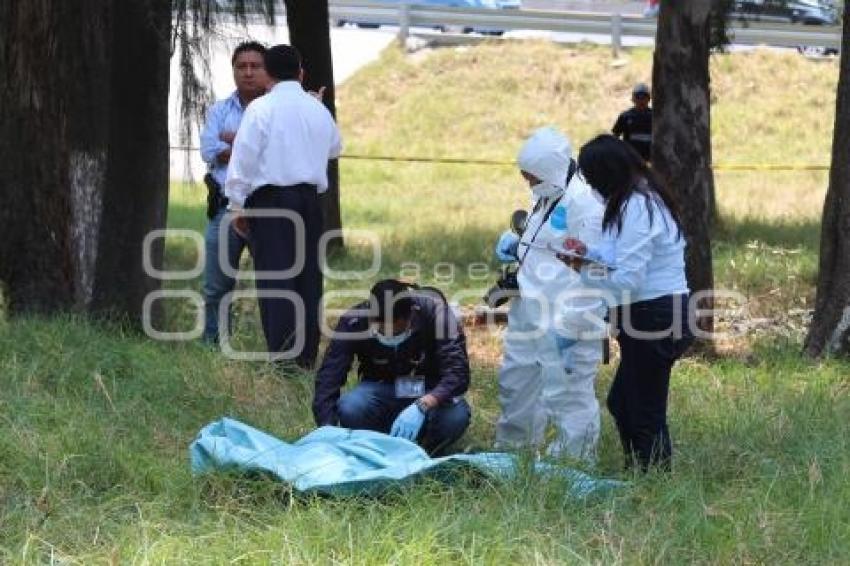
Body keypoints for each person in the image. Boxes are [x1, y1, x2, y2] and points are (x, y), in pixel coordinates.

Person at [561, 134, 694, 471]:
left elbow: (628, 280)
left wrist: (583, 271)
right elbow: (619, 256)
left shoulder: (639, 205)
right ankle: (638, 470)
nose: (591, 189)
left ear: (608, 174)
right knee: (623, 401)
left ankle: (653, 477)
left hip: (656, 315)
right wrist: (587, 253)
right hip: (645, 314)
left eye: (592, 181)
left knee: (642, 407)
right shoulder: (629, 202)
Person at [225, 44, 342, 369]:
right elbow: (334, 148)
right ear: (301, 73)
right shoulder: (317, 108)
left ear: (267, 75)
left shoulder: (261, 109)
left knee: (277, 279)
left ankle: (283, 357)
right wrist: (316, 108)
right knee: (307, 277)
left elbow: (243, 159)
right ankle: (305, 357)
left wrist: (236, 204)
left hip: (271, 201)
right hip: (309, 201)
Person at [492, 126, 606, 461]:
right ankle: (514, 450)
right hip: (530, 303)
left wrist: (570, 328)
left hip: (567, 312)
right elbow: (546, 240)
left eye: (531, 177)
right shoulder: (546, 192)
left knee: (567, 393)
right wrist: (519, 245)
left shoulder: (586, 205)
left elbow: (592, 273)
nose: (527, 183)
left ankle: (575, 463)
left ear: (550, 171)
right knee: (518, 380)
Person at [312, 279, 472, 456]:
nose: (386, 336)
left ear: (410, 316)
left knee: (455, 417)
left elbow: (458, 374)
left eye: (394, 332)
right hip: (380, 389)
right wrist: (328, 429)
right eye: (380, 330)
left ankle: (427, 451)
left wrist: (424, 404)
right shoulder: (355, 321)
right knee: (351, 406)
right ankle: (376, 446)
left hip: (429, 391)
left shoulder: (436, 312)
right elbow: (329, 376)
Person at [199, 41, 268, 345]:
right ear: (234, 70)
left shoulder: (274, 110)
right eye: (242, 66)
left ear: (268, 71)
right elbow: (208, 150)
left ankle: (280, 352)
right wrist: (250, 146)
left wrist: (233, 142)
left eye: (256, 66)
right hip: (225, 209)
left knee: (274, 285)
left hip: (267, 209)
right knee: (216, 286)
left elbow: (275, 153)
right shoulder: (220, 110)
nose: (249, 72)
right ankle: (212, 347)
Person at [612, 83, 653, 162]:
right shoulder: (625, 116)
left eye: (644, 97)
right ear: (633, 99)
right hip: (631, 158)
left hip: (651, 158)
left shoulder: (655, 117)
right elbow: (615, 136)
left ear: (649, 99)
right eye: (638, 97)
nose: (641, 100)